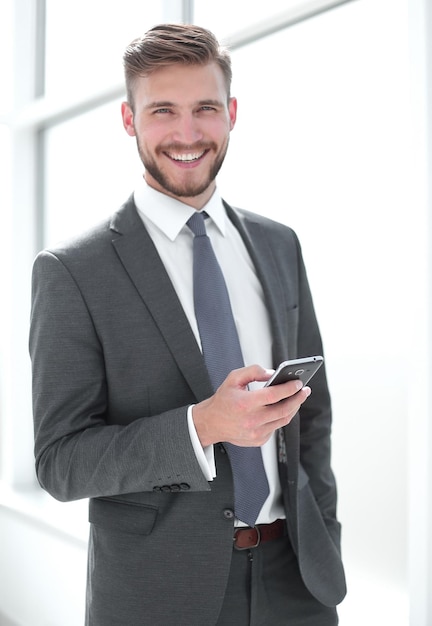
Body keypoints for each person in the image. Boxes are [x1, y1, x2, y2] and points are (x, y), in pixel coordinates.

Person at [29, 23, 346, 626]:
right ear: (128, 119)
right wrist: (200, 425)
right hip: (160, 594)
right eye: (162, 111)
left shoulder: (279, 245)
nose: (186, 133)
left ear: (231, 113)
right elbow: (60, 462)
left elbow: (315, 415)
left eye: (205, 108)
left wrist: (322, 525)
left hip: (298, 580)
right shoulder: (73, 272)